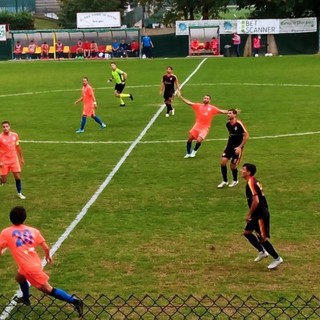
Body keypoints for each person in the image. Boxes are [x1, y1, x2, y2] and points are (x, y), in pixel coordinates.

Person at [0, 206, 84, 316]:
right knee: (19, 278)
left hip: (29, 267)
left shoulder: (6, 232)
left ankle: (76, 302)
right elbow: (45, 246)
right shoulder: (33, 231)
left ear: (10, 218)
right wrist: (48, 256)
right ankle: (26, 298)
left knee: (48, 289)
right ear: (24, 218)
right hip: (34, 262)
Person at [241, 163, 283, 269]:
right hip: (257, 213)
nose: (241, 171)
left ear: (249, 172)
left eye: (243, 169)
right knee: (247, 233)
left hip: (260, 214)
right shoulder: (254, 181)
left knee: (262, 239)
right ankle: (262, 251)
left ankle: (277, 258)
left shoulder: (251, 182)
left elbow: (256, 200)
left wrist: (249, 214)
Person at [177, 93, 229, 158]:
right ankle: (188, 153)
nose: (205, 99)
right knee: (189, 139)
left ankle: (194, 151)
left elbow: (222, 111)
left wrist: (232, 112)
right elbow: (189, 103)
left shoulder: (212, 108)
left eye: (207, 98)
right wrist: (181, 97)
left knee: (199, 140)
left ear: (209, 100)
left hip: (205, 127)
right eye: (205, 98)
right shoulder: (198, 106)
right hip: (197, 126)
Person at [217, 109, 249, 188]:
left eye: (230, 113)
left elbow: (246, 136)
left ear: (234, 115)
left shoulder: (239, 124)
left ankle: (235, 180)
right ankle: (224, 181)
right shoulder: (228, 124)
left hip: (237, 148)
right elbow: (231, 135)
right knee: (223, 162)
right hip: (229, 147)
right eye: (227, 113)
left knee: (232, 166)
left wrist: (239, 147)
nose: (228, 115)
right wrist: (226, 146)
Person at [0, 121, 26, 199]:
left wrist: (21, 158)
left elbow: (18, 147)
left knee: (17, 177)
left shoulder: (15, 135)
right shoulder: (0, 137)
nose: (5, 128)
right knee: (4, 181)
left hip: (14, 159)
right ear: (2, 128)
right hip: (4, 161)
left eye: (7, 126)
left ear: (9, 127)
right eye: (4, 127)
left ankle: (19, 193)